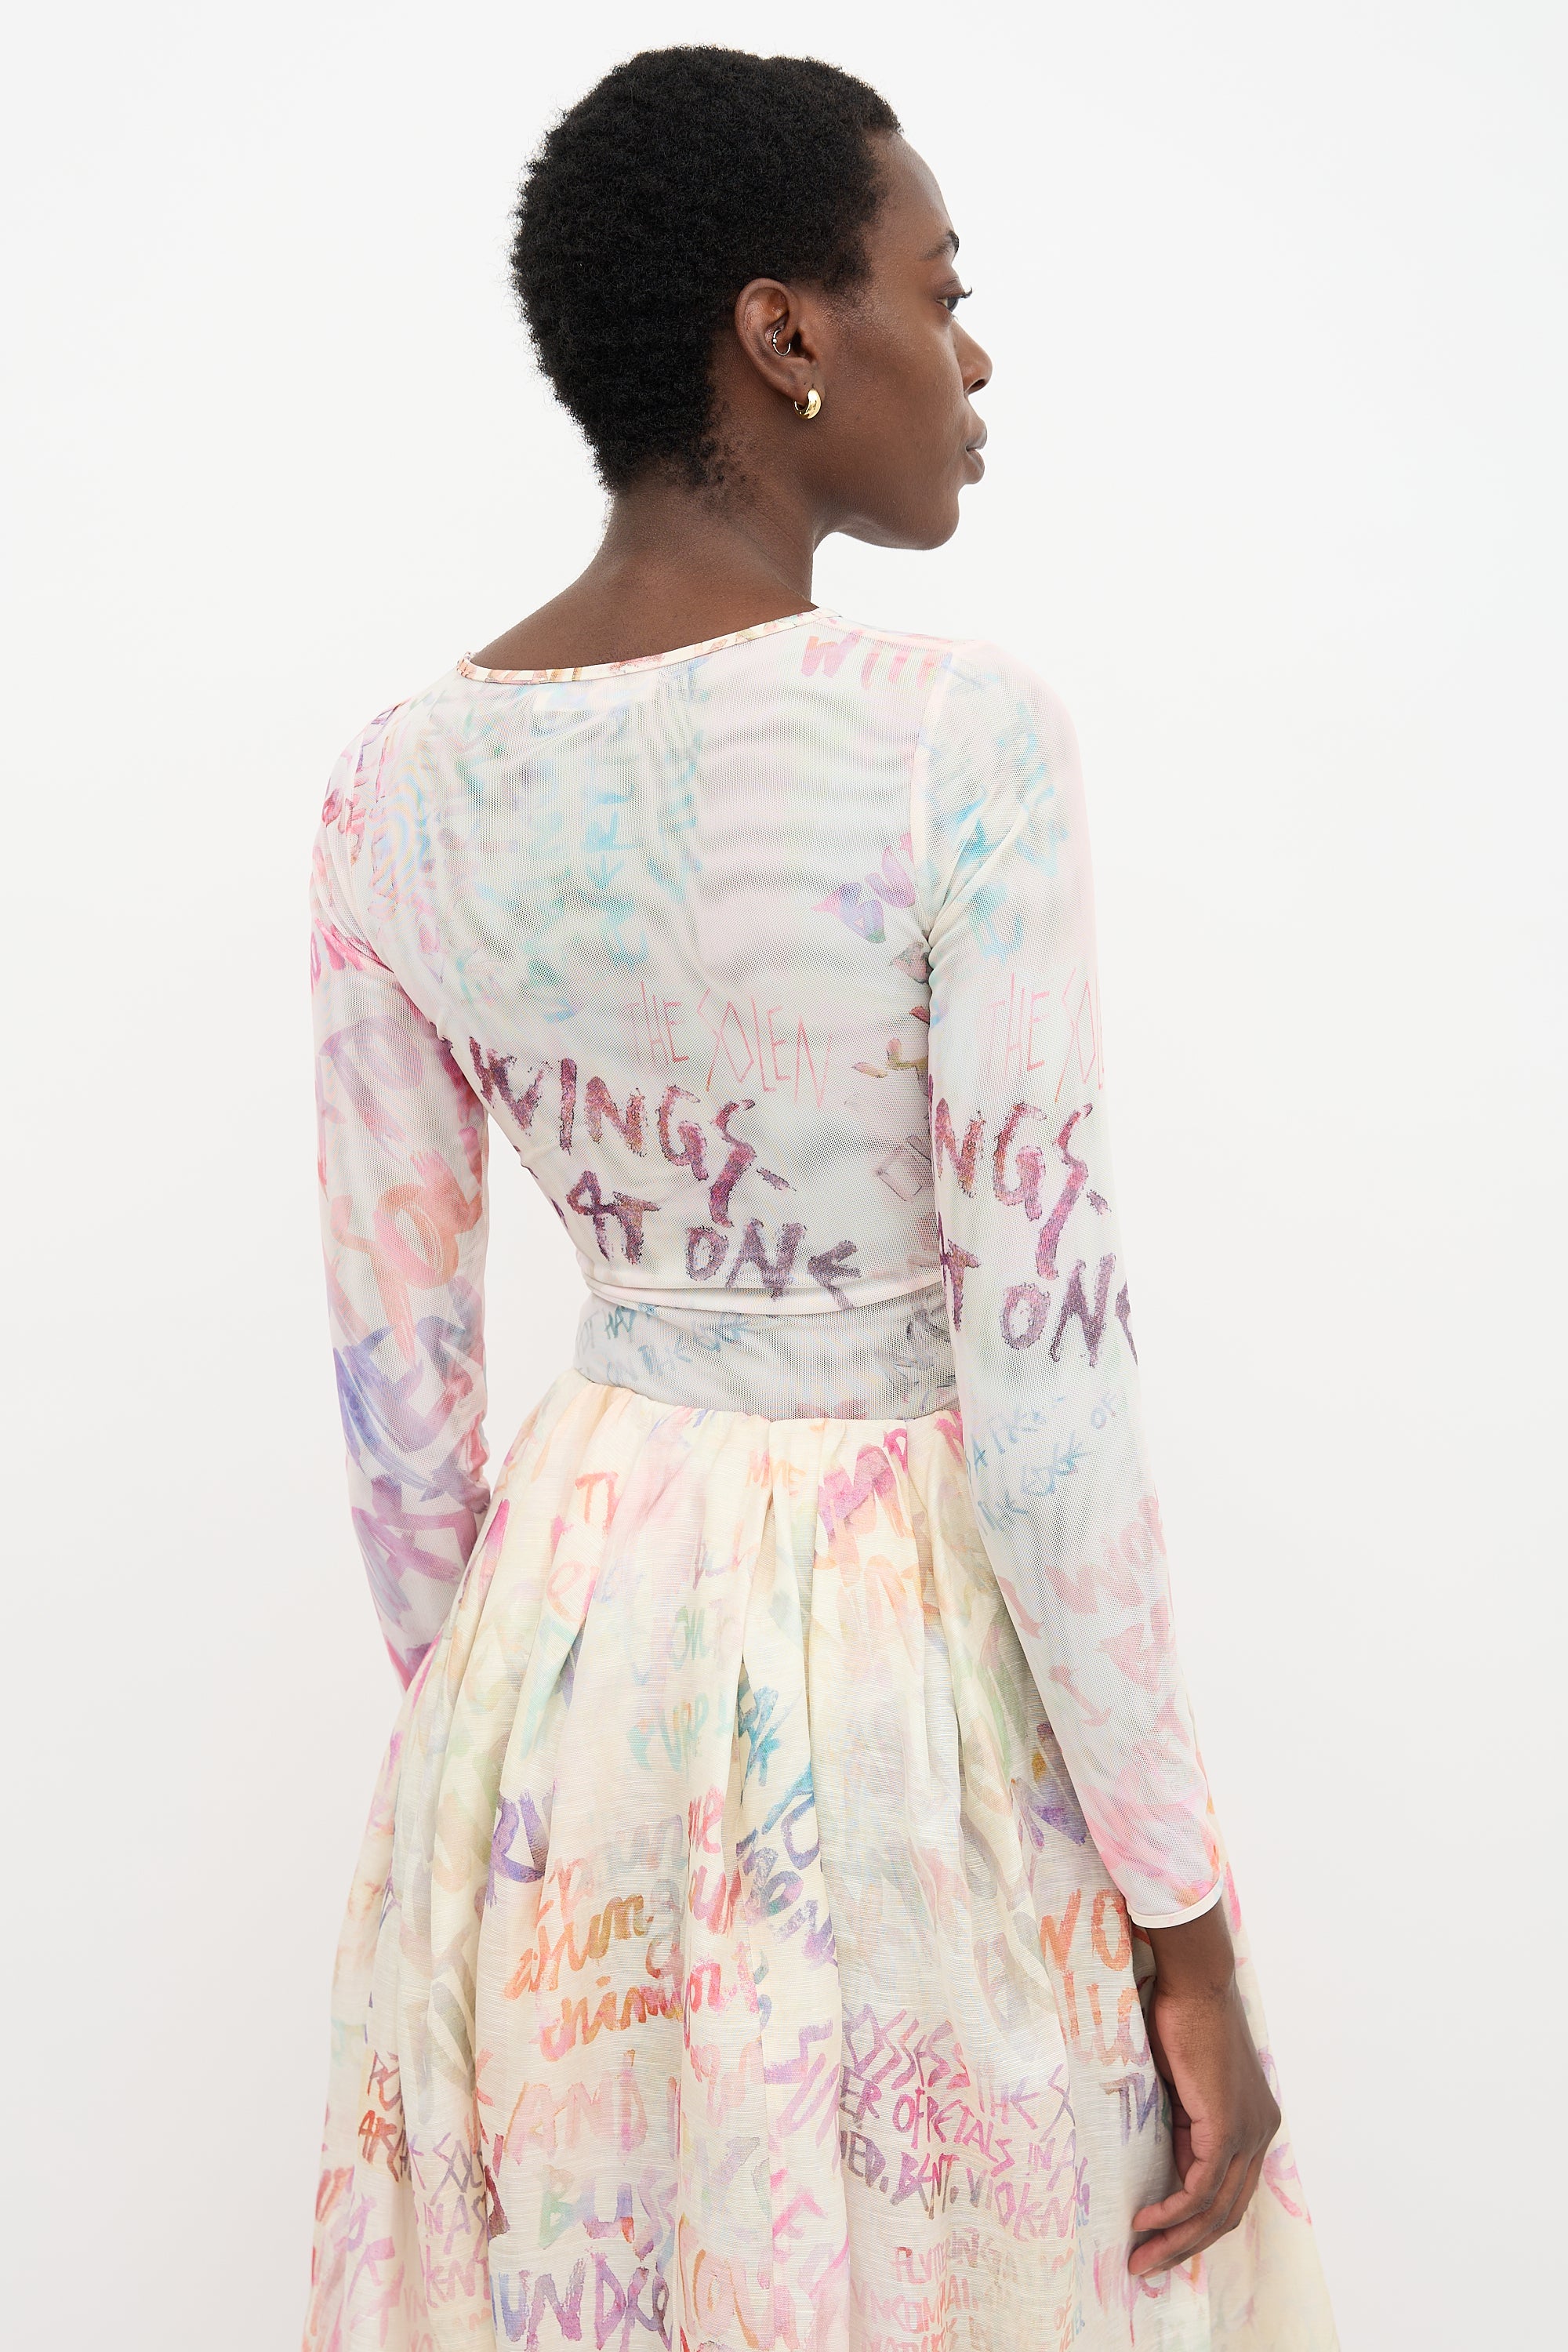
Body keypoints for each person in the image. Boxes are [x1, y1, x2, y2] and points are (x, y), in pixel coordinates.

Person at [303, 45, 1337, 2352]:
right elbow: (1047, 1397)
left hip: (563, 1669)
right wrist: (1186, 1932)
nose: (971, 360)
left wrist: (511, 1773)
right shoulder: (955, 738)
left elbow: (399, 1419)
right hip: (899, 1659)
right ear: (785, 331)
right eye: (937, 293)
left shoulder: (394, 789)